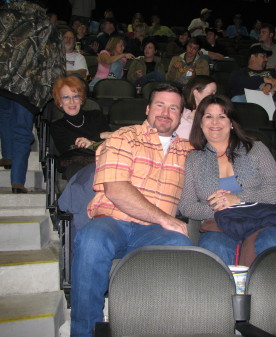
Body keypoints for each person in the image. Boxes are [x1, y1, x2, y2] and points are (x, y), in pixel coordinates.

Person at [70, 82, 194, 337]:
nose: (165, 112)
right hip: (112, 222)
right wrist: (164, 218)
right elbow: (115, 189)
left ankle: (146, 327)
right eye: (159, 105)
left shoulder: (188, 151)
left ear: (181, 116)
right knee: (91, 239)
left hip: (155, 231)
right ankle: (84, 332)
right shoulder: (124, 137)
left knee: (178, 243)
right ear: (148, 109)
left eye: (173, 108)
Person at [178, 94, 276, 266]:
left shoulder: (256, 149)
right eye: (208, 116)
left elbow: (275, 190)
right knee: (213, 248)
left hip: (259, 220)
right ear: (200, 123)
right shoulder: (194, 159)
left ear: (231, 123)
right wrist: (220, 209)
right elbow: (186, 206)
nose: (215, 122)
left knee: (273, 242)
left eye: (222, 116)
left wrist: (237, 200)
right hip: (218, 224)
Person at [0, 0, 65, 193]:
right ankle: (17, 182)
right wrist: (48, 90)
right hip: (27, 85)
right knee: (22, 131)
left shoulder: (1, 16)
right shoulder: (47, 26)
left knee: (4, 115)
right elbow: (55, 63)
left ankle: (7, 155)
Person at [50, 76, 110, 180]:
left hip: (101, 162)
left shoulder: (96, 116)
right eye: (66, 97)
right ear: (60, 102)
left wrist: (91, 142)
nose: (72, 101)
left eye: (76, 96)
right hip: (74, 166)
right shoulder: (57, 126)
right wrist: (99, 137)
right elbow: (69, 149)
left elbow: (110, 140)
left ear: (81, 99)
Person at [228, 43, 276, 107]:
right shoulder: (241, 71)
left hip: (272, 101)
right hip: (250, 103)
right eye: (263, 56)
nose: (266, 59)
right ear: (253, 57)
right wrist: (263, 79)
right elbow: (236, 82)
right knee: (236, 100)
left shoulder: (272, 71)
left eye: (266, 57)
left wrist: (269, 84)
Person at [176, 75, 217, 140]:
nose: (214, 97)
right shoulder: (179, 112)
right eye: (211, 93)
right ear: (196, 93)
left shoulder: (212, 114)